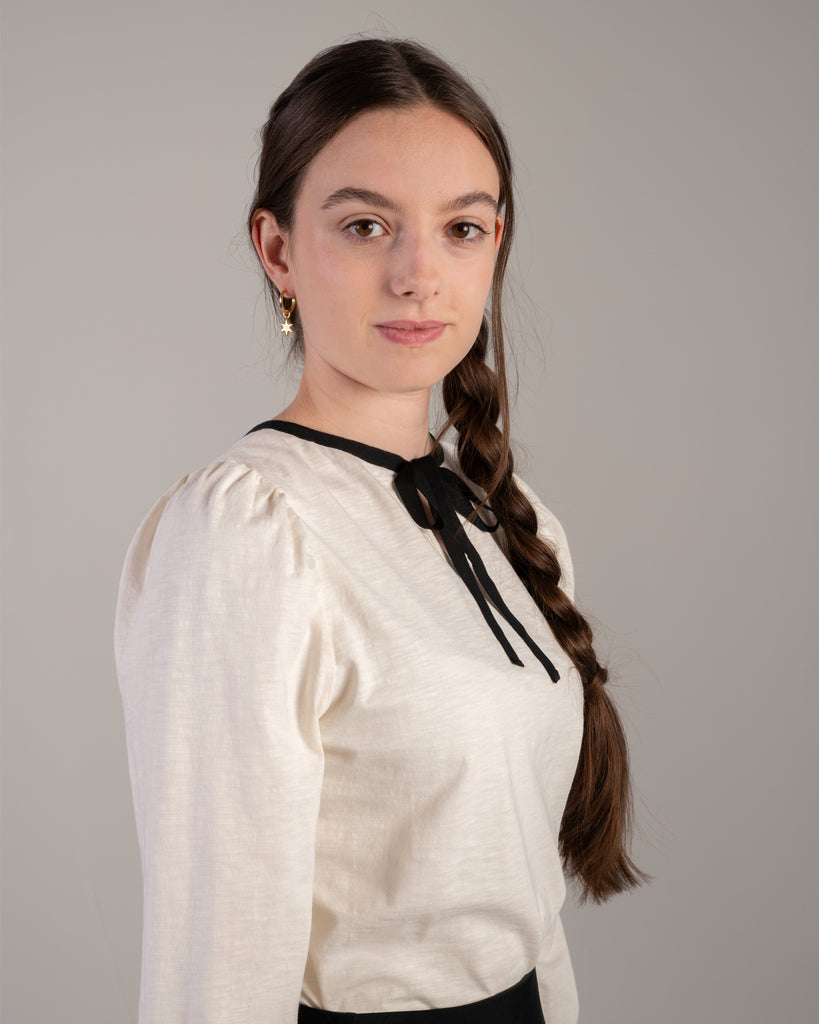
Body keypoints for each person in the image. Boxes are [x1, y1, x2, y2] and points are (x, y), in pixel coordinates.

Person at [116, 37, 644, 1024]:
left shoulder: (510, 518)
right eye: (366, 225)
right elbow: (216, 960)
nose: (419, 275)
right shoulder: (247, 536)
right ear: (276, 249)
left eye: (461, 229)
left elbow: (527, 912)